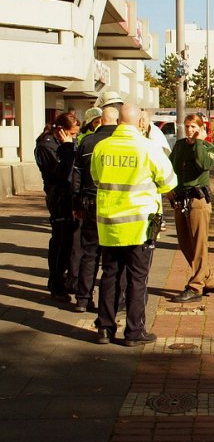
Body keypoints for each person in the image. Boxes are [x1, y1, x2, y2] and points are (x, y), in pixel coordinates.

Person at [92, 104, 177, 346]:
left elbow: (97, 179)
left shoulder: (102, 146)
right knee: (137, 279)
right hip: (140, 225)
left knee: (109, 275)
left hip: (109, 225)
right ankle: (133, 332)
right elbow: (169, 182)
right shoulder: (148, 148)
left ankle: (105, 329)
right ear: (140, 122)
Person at [72, 104, 120, 313]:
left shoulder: (87, 142)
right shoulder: (120, 143)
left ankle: (83, 299)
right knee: (113, 257)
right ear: (117, 122)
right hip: (116, 205)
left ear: (99, 121)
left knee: (89, 252)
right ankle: (112, 302)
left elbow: (76, 176)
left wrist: (76, 203)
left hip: (90, 203)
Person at [167, 114, 214, 303]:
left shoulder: (207, 147)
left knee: (199, 244)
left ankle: (196, 286)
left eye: (194, 127)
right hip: (180, 199)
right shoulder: (180, 145)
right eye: (187, 126)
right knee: (185, 243)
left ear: (201, 128)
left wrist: (199, 141)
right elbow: (169, 167)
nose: (190, 130)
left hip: (197, 200)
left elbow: (203, 164)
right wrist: (169, 189)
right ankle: (210, 279)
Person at [34, 112, 81, 301]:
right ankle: (56, 282)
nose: (74, 137)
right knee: (60, 242)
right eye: (72, 133)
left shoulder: (66, 143)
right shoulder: (47, 145)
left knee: (71, 242)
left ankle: (68, 280)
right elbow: (62, 173)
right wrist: (68, 147)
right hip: (59, 198)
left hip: (71, 196)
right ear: (61, 131)